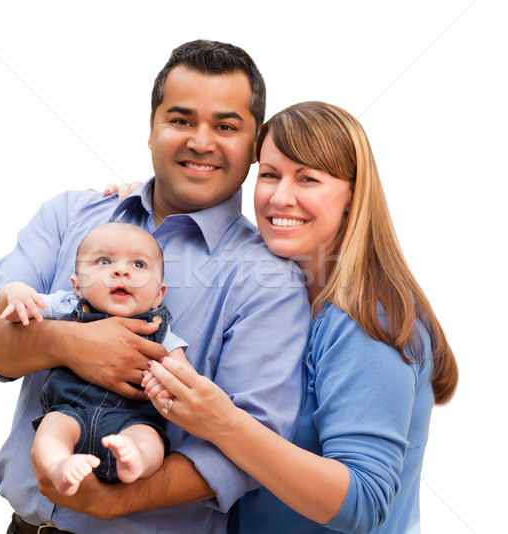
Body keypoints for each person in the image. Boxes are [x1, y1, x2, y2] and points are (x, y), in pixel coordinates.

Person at [0, 40, 310, 533]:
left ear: (254, 147)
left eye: (225, 126)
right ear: (151, 128)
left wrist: (112, 501)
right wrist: (71, 342)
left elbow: (252, 447)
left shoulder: (271, 281)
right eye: (181, 120)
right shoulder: (71, 215)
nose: (201, 142)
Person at [142, 101, 459, 533]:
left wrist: (224, 423)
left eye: (308, 178)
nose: (280, 196)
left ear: (353, 196)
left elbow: (363, 503)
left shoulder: (367, 319)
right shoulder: (276, 294)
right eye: (269, 174)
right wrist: (142, 200)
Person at [0, 222, 187, 496]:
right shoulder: (67, 306)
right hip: (69, 410)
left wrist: (171, 384)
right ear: (77, 286)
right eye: (104, 261)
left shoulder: (160, 329)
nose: (121, 271)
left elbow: (183, 376)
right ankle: (60, 466)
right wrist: (13, 293)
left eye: (139, 265)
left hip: (133, 419)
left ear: (158, 295)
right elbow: (13, 312)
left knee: (150, 440)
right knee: (50, 433)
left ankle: (135, 459)